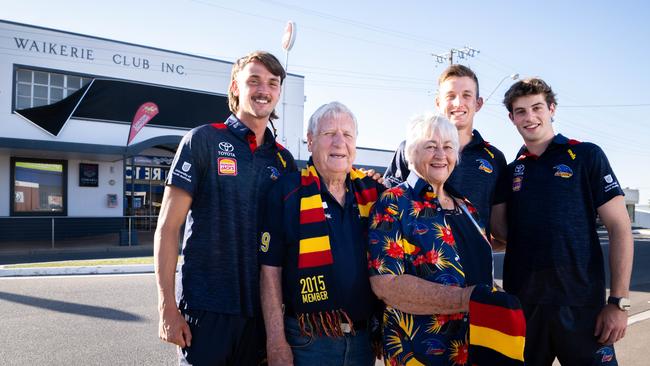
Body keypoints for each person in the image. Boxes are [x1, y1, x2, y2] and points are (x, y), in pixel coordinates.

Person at [154, 50, 297, 365]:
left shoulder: (284, 161)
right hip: (205, 311)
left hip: (261, 317)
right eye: (254, 80)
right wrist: (167, 306)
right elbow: (167, 227)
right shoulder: (201, 141)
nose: (264, 90)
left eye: (273, 83)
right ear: (235, 87)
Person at [492, 77, 634, 365]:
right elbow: (501, 230)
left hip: (582, 307)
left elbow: (620, 228)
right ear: (512, 118)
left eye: (537, 107)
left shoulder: (585, 155)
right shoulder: (510, 171)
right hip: (523, 308)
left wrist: (618, 302)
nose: (529, 117)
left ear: (552, 109)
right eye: (521, 111)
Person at [368, 112, 507, 365]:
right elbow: (386, 285)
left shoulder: (467, 208)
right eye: (430, 146)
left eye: (448, 147)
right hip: (420, 352)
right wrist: (466, 299)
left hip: (475, 348)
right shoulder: (395, 202)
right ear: (411, 153)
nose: (441, 154)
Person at [259, 102, 381, 366]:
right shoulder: (286, 192)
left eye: (347, 135)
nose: (339, 142)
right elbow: (270, 272)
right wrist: (276, 340)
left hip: (363, 342)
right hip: (307, 341)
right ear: (311, 141)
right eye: (329, 134)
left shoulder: (375, 195)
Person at [383, 65, 506, 239]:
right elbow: (388, 205)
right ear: (438, 103)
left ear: (478, 103)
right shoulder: (410, 148)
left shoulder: (494, 158)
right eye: (450, 96)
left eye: (466, 95)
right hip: (422, 261)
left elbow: (499, 229)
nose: (458, 103)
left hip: (474, 261)